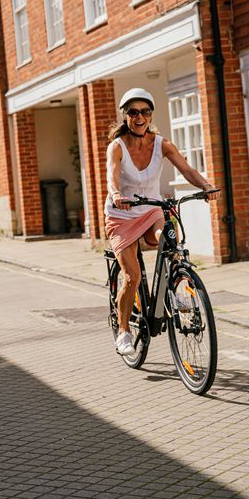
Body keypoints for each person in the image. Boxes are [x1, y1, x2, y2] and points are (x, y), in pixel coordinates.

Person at [105, 87, 219, 356]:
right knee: (131, 277)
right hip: (122, 214)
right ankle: (123, 331)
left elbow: (187, 168)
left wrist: (206, 185)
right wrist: (117, 193)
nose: (139, 117)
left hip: (151, 210)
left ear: (151, 115)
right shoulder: (117, 146)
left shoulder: (162, 143)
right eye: (133, 112)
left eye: (144, 111)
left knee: (171, 241)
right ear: (126, 116)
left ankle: (179, 289)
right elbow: (112, 175)